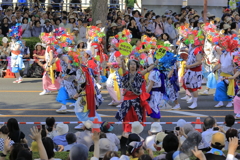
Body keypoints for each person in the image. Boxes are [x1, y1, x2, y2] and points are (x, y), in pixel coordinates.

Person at [115, 59, 157, 132]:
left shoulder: (139, 74)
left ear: (136, 66)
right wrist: (122, 60)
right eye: (131, 64)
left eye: (134, 64)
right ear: (128, 66)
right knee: (127, 115)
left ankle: (136, 130)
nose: (133, 66)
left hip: (136, 99)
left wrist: (155, 64)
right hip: (127, 99)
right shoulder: (126, 74)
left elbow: (148, 70)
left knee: (136, 115)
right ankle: (127, 130)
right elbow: (123, 68)